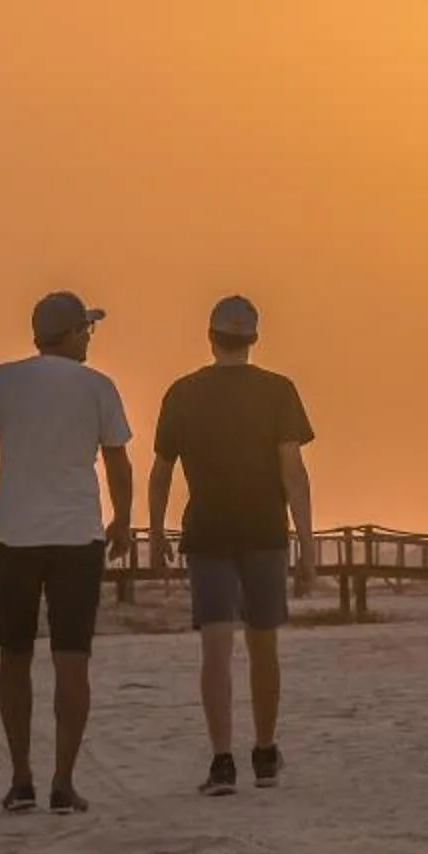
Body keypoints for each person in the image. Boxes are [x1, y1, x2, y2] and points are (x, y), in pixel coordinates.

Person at [0, 291, 135, 814]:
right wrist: (123, 518)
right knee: (72, 659)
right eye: (87, 331)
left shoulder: (2, 380)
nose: (90, 340)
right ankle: (63, 781)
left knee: (14, 657)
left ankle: (21, 778)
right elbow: (118, 462)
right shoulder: (98, 387)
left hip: (14, 534)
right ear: (73, 334)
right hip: (77, 536)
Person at [148, 295, 315, 798]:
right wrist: (307, 544)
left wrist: (155, 535)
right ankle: (264, 752)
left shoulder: (182, 392)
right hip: (264, 529)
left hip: (209, 531)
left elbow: (160, 473)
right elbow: (294, 472)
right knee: (264, 645)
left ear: (211, 336)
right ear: (254, 339)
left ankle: (222, 760)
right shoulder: (278, 391)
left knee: (215, 648)